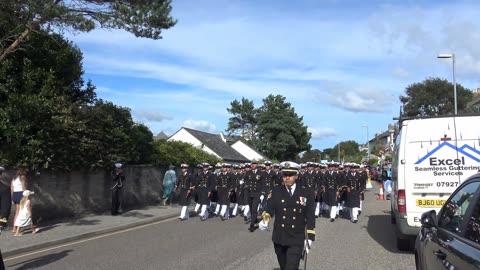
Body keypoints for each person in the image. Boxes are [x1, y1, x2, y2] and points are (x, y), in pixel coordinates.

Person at [259, 161, 316, 270]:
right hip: (280, 237)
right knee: (284, 266)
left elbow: (310, 215)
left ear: (296, 176)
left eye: (290, 175)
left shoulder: (305, 192)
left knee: (291, 267)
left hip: (297, 237)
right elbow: (269, 207)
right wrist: (265, 219)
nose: (287, 178)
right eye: (285, 175)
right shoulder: (276, 190)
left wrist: (310, 237)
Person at [11, 168, 27, 233]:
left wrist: (12, 198)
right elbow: (23, 187)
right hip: (21, 194)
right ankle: (18, 229)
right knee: (21, 212)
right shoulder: (22, 177)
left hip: (15, 194)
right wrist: (26, 195)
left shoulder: (14, 179)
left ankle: (14, 228)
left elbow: (12, 188)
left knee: (17, 212)